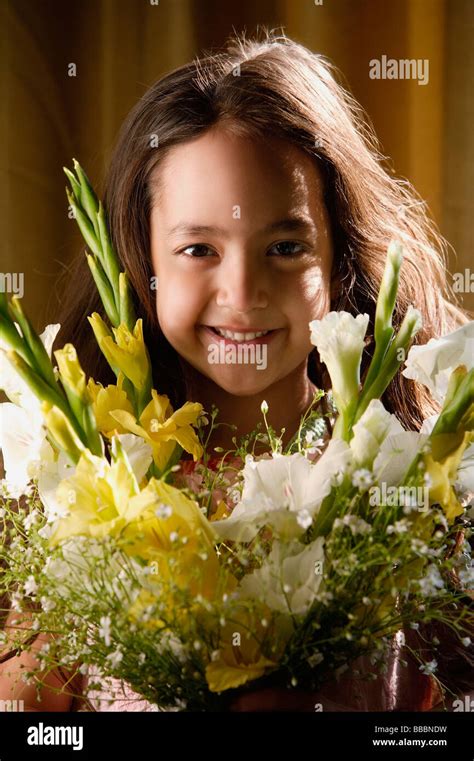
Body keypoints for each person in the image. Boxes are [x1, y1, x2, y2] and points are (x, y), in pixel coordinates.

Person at [1, 30, 471, 712]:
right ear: (143, 263)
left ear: (339, 261)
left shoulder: (419, 495)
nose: (243, 290)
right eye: (198, 248)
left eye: (285, 246)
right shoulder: (77, 496)